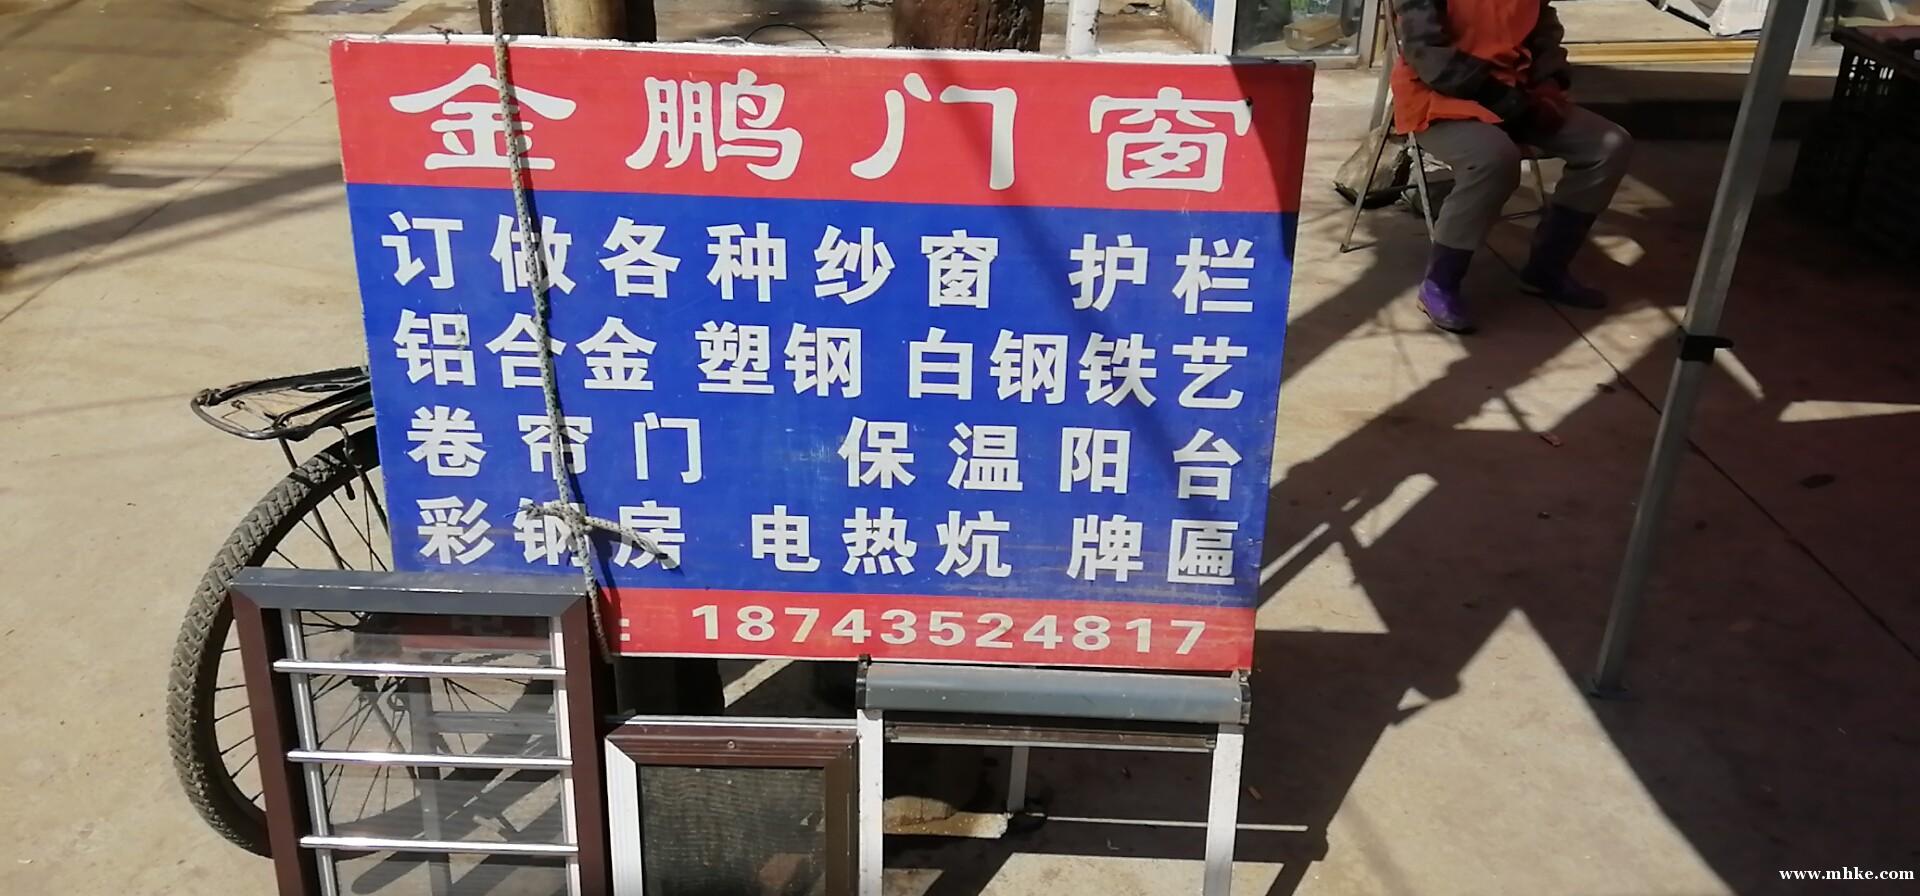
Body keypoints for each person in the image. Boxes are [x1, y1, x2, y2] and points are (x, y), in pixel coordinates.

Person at [1390, 0, 1634, 333]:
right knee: (1494, 159)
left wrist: (1550, 85)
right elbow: (1427, 54)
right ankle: (1440, 283)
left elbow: (1544, 32)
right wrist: (1510, 103)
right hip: (1441, 99)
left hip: (1519, 94)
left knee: (1608, 145)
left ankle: (1546, 269)